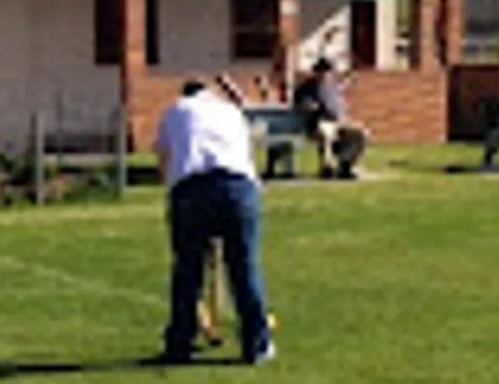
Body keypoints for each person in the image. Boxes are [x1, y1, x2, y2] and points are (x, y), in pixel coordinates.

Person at [154, 76, 274, 366]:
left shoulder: (175, 112)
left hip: (191, 188)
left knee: (188, 270)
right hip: (238, 187)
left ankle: (180, 343)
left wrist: (172, 195)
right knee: (245, 268)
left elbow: (163, 157)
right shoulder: (231, 112)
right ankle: (256, 345)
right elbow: (246, 154)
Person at [291, 57, 366, 179]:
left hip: (340, 122)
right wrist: (309, 106)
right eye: (322, 71)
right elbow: (301, 104)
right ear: (316, 72)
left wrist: (350, 78)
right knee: (325, 133)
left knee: (360, 132)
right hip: (320, 122)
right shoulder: (307, 88)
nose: (325, 74)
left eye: (328, 71)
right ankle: (328, 167)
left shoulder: (333, 86)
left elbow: (343, 90)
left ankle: (349, 165)